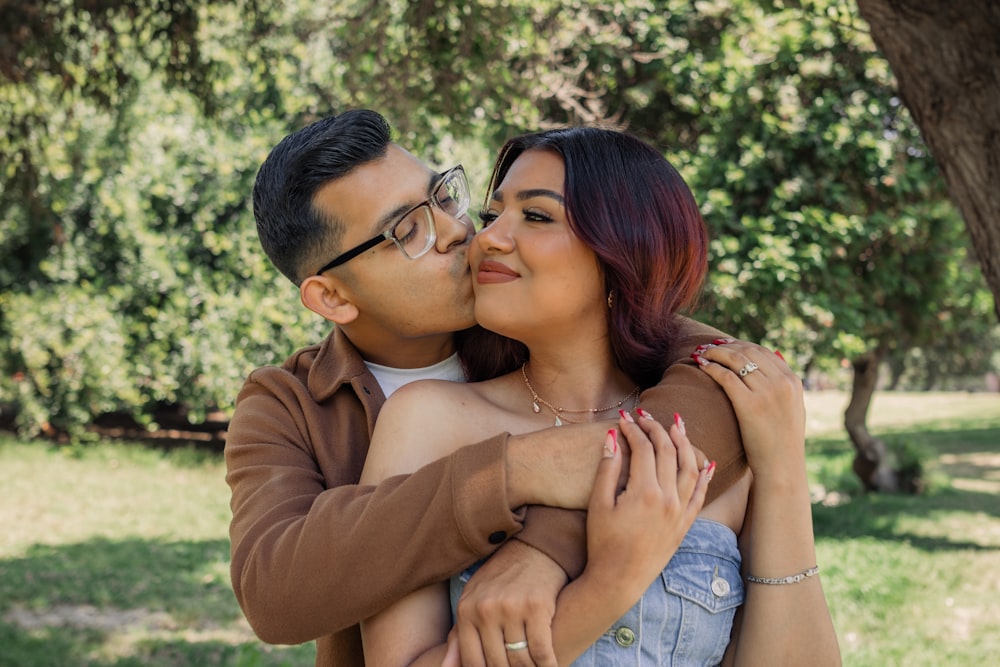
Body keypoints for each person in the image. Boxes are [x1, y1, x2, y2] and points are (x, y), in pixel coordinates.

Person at [226, 110, 751, 667]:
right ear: (332, 298)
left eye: (446, 198)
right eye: (408, 231)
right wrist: (514, 471)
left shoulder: (530, 317)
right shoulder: (288, 404)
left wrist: (549, 543)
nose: (460, 231)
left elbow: (726, 382)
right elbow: (274, 590)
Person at [359, 127, 840, 665]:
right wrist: (608, 584)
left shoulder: (716, 431)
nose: (487, 238)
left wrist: (782, 470)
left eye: (536, 216)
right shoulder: (429, 421)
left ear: (623, 252)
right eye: (493, 216)